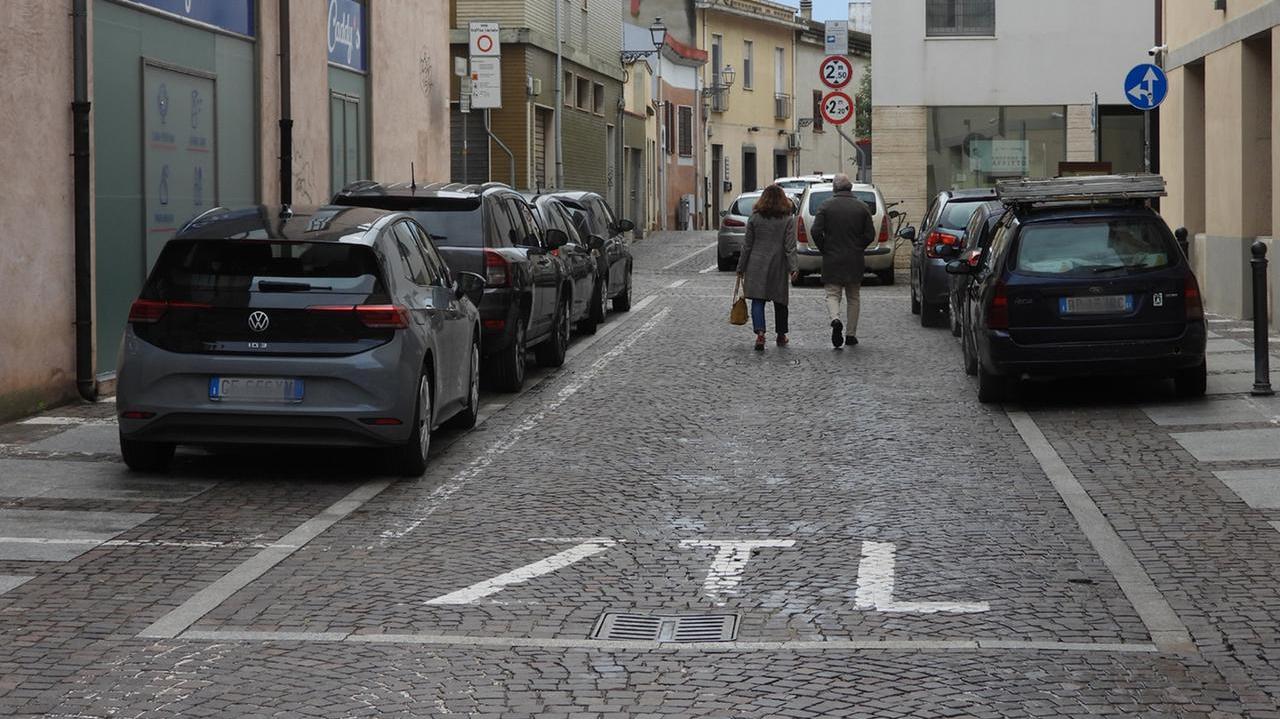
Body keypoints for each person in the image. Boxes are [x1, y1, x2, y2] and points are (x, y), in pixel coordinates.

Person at [810, 173, 876, 348]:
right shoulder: (862, 207)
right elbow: (870, 234)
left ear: (834, 188)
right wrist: (859, 246)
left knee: (832, 294)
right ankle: (851, 334)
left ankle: (835, 319)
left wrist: (824, 247)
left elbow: (815, 231)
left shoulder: (825, 206)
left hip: (832, 256)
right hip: (854, 257)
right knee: (853, 296)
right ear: (850, 188)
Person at [736, 184, 798, 351]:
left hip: (756, 263)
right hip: (778, 264)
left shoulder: (755, 218)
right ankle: (781, 335)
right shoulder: (787, 219)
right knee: (780, 301)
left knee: (758, 300)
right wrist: (793, 267)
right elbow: (790, 246)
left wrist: (741, 267)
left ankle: (760, 334)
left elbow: (747, 246)